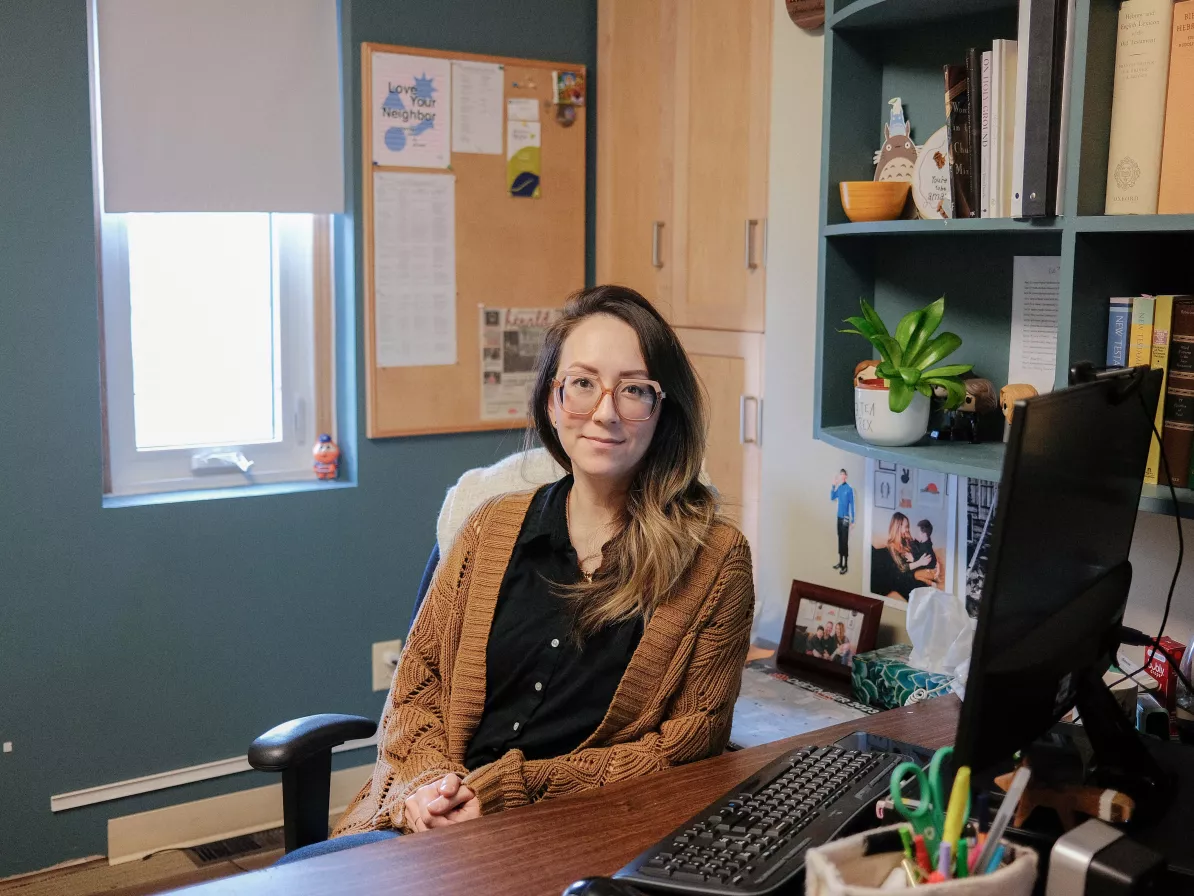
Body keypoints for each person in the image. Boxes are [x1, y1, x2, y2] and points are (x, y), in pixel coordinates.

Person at [327, 285, 755, 849]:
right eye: (582, 384)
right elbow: (416, 689)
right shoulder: (488, 527)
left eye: (633, 390)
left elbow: (687, 745)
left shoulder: (716, 562)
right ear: (553, 404)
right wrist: (430, 789)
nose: (605, 412)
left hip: (574, 841)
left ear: (662, 409)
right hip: (422, 826)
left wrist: (505, 793)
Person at [870, 512, 919, 600]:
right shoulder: (891, 546)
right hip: (886, 571)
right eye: (906, 526)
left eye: (908, 527)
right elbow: (901, 568)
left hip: (899, 574)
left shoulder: (906, 543)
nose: (908, 529)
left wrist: (909, 539)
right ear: (898, 527)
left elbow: (916, 552)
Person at [830, 469, 854, 575]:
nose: (842, 477)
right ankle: (840, 562)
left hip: (845, 518)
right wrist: (833, 486)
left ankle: (845, 565)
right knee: (840, 539)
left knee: (845, 541)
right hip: (838, 518)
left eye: (843, 475)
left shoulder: (849, 489)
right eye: (840, 475)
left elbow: (852, 504)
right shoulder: (839, 488)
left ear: (846, 476)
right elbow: (832, 497)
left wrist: (852, 520)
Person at [907, 519, 938, 586]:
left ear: (923, 534)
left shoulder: (927, 548)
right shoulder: (922, 542)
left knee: (915, 575)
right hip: (927, 569)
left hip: (930, 571)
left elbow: (925, 561)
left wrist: (913, 559)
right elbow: (916, 546)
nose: (915, 534)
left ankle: (931, 583)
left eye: (917, 532)